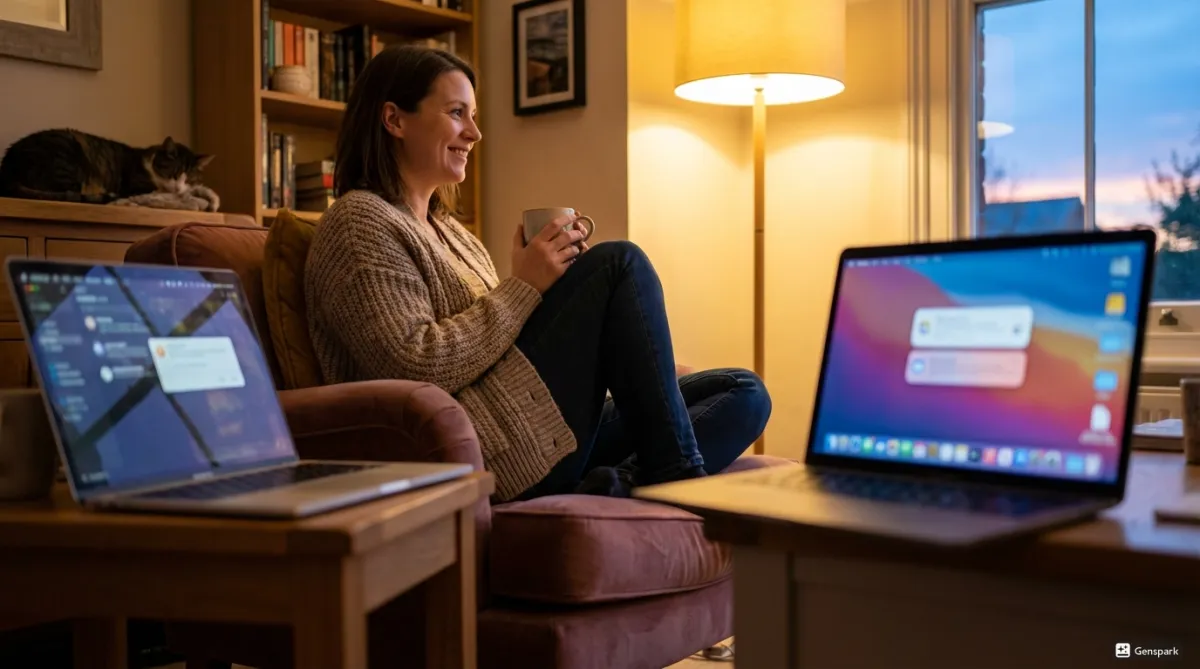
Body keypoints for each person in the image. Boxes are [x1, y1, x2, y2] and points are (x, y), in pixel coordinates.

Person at [304, 45, 771, 503]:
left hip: (532, 422)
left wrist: (642, 362)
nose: (475, 133)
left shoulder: (452, 233)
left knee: (745, 392)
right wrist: (523, 286)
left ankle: (619, 484)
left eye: (473, 115)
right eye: (456, 113)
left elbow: (498, 344)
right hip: (494, 449)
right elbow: (413, 366)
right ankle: (676, 479)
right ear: (394, 120)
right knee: (618, 263)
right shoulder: (359, 222)